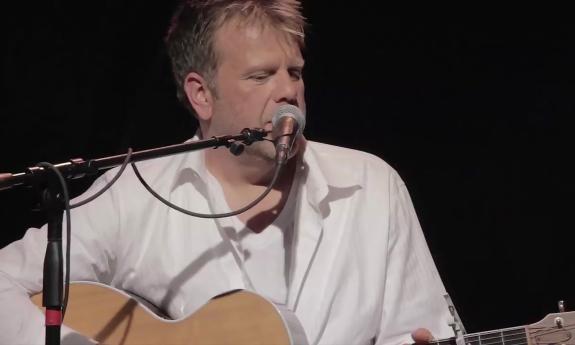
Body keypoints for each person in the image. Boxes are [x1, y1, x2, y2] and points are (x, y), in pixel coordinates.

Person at [0, 1, 456, 344]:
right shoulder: (135, 194)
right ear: (201, 94)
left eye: (294, 72)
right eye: (261, 76)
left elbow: (423, 327)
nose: (288, 93)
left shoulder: (370, 187)